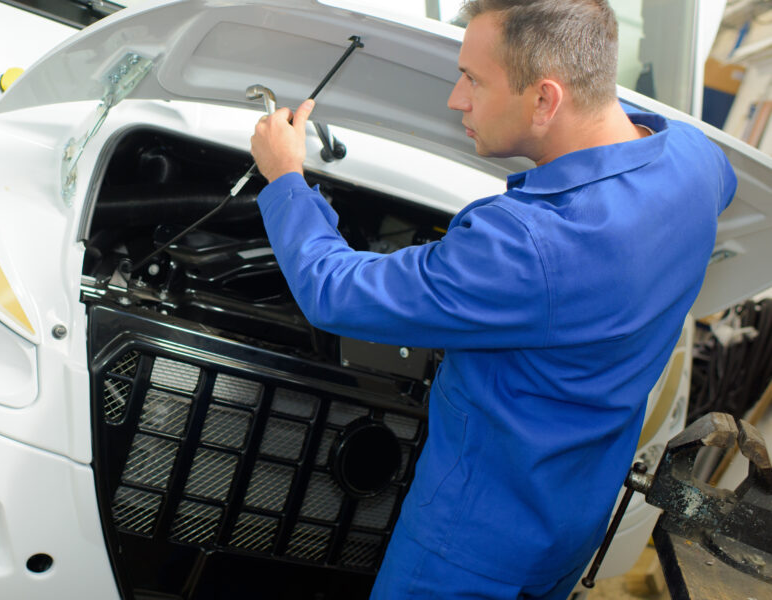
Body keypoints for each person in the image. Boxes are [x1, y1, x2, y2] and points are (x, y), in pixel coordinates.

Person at [249, 0, 736, 598]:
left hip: (469, 554)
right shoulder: (695, 160)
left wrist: (285, 178)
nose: (457, 99)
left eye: (473, 80)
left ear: (545, 99)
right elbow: (700, 177)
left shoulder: (527, 245)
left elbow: (334, 292)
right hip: (571, 526)